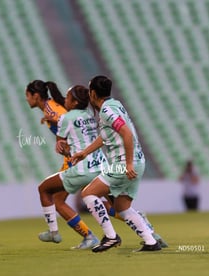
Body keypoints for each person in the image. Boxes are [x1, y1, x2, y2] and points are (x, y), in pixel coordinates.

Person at [72, 75, 162, 252]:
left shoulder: (106, 110)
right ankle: (151, 241)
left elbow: (126, 134)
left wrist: (128, 164)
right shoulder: (115, 105)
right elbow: (106, 136)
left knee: (88, 194)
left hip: (124, 164)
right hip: (138, 161)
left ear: (93, 93)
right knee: (121, 207)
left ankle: (111, 237)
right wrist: (84, 152)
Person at [36, 84, 120, 249]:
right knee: (116, 205)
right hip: (101, 166)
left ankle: (55, 232)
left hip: (82, 169)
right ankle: (149, 232)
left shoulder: (66, 117)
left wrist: (61, 145)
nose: (64, 101)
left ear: (74, 102)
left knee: (44, 189)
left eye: (67, 98)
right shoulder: (89, 114)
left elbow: (61, 144)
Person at [26, 80, 100, 249]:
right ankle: (146, 229)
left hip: (74, 161)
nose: (26, 99)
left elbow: (67, 119)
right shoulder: (50, 108)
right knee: (106, 202)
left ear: (35, 96)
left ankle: (82, 236)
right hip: (84, 160)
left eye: (27, 95)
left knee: (55, 199)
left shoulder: (50, 109)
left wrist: (54, 119)